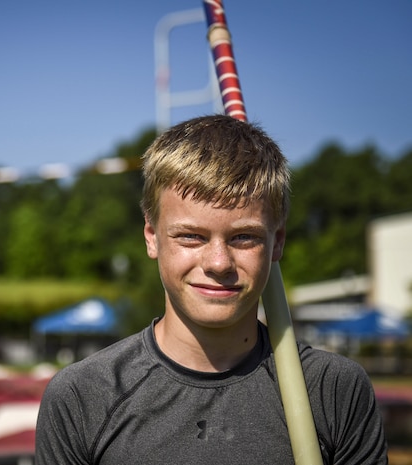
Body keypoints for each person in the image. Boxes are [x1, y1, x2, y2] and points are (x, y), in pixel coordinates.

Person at [35, 114, 388, 464]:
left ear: (277, 242)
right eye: (191, 236)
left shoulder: (334, 390)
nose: (219, 263)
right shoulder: (83, 396)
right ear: (151, 237)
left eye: (243, 237)